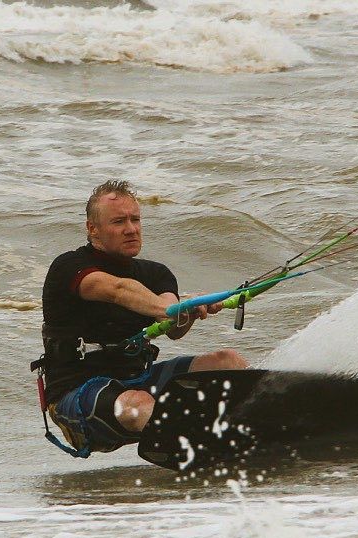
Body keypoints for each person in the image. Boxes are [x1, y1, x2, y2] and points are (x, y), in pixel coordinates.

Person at [34, 180, 249, 456]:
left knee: (228, 362)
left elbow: (174, 328)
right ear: (92, 228)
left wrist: (191, 309)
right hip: (76, 397)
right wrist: (169, 308)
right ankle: (200, 450)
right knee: (137, 403)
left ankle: (260, 424)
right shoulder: (68, 267)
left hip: (139, 380)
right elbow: (117, 290)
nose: (131, 229)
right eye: (118, 221)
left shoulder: (156, 274)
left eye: (135, 219)